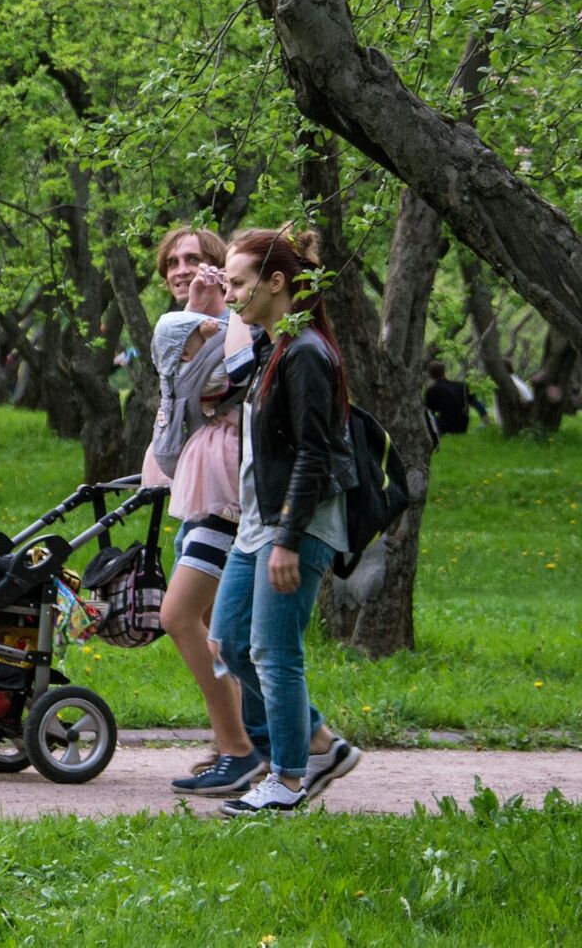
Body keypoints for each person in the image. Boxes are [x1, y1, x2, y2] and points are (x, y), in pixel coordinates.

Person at [211, 227, 363, 816]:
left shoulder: (305, 354)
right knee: (229, 642)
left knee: (274, 652)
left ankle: (289, 779)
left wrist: (288, 541)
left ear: (277, 284)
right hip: (261, 523)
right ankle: (319, 743)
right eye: (227, 284)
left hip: (294, 526)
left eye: (240, 285)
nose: (231, 296)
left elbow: (314, 454)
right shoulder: (276, 345)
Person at [138, 227, 263, 797]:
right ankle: (238, 740)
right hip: (199, 485)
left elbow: (218, 381)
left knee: (181, 617)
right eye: (174, 262)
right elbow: (175, 408)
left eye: (196, 260)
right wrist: (197, 317)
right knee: (217, 629)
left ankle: (246, 746)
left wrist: (215, 315)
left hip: (227, 490)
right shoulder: (178, 327)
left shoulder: (236, 326)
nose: (183, 269)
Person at [422, 360, 485, 434]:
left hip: (445, 427)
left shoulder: (431, 391)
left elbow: (431, 412)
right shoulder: (461, 386)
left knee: (426, 412)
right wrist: (487, 423)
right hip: (462, 426)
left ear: (430, 375)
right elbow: (477, 404)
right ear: (444, 372)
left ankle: (432, 437)